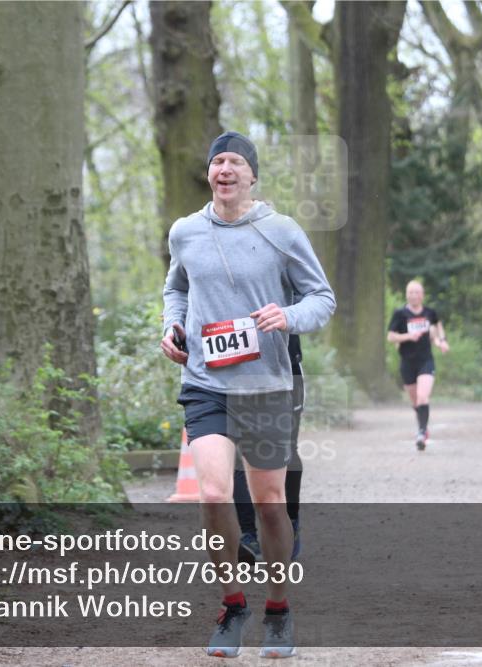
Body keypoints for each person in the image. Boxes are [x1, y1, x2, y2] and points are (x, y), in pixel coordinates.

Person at [161, 131, 335, 658]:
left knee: (270, 505)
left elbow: (321, 298)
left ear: (252, 175)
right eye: (218, 161)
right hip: (206, 382)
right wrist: (172, 326)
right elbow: (176, 288)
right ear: (209, 174)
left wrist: (288, 316)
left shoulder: (281, 231)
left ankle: (278, 610)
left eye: (236, 161)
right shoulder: (185, 231)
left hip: (265, 385)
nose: (226, 169)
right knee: (214, 494)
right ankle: (233, 605)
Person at [234, 335, 304, 564]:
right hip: (232, 368)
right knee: (236, 452)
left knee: (287, 448)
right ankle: (248, 535)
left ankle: (289, 521)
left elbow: (312, 312)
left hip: (283, 368)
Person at [387, 280, 450, 450]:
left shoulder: (430, 313)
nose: (413, 295)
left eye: (417, 292)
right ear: (406, 295)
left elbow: (437, 326)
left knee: (423, 397)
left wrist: (441, 341)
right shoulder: (400, 314)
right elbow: (391, 336)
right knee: (416, 402)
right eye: (410, 292)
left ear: (422, 295)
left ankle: (421, 432)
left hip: (425, 361)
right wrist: (408, 336)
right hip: (407, 363)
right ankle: (423, 425)